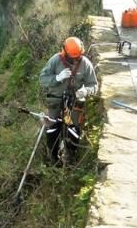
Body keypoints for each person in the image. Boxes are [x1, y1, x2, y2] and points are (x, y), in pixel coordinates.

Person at [38, 36, 98, 164]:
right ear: (65, 52)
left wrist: (85, 91)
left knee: (74, 129)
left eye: (77, 57)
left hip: (73, 102)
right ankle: (53, 157)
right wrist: (57, 78)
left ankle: (70, 157)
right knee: (52, 128)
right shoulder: (55, 61)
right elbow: (42, 79)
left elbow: (93, 85)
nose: (75, 60)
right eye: (72, 57)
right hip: (55, 100)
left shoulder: (85, 64)